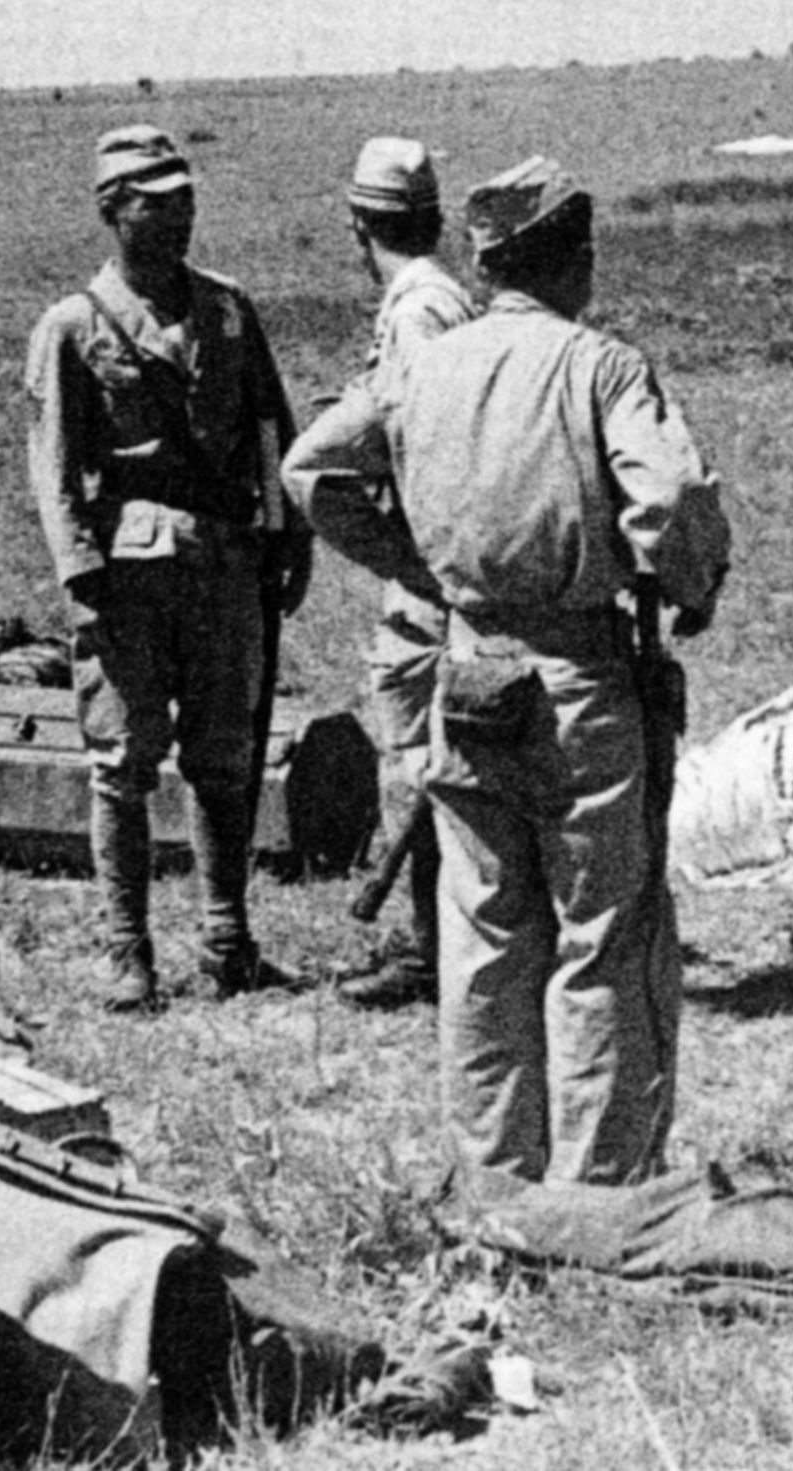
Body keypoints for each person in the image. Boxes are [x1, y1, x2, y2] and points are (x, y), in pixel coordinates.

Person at [285, 157, 730, 1192]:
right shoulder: (602, 368)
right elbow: (668, 506)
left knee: (484, 939)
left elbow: (314, 468)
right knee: (603, 939)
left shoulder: (425, 367)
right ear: (575, 259)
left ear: (487, 261)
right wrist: (690, 589)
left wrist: (420, 570)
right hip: (578, 681)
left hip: (466, 676)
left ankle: (495, 1184)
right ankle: (601, 1189)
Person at [25, 124, 312, 1011]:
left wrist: (288, 536)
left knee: (225, 756)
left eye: (186, 199)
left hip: (227, 564)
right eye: (157, 202)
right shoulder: (74, 325)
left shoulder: (228, 308)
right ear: (114, 212)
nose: (179, 216)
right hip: (129, 576)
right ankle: (128, 951)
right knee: (123, 758)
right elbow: (54, 463)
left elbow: (274, 428)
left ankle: (227, 940)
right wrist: (80, 575)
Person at [328, 137, 477, 1011]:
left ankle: (431, 952)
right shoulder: (440, 296)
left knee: (418, 753)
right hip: (440, 552)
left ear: (358, 224)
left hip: (427, 561)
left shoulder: (418, 309)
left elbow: (423, 433)